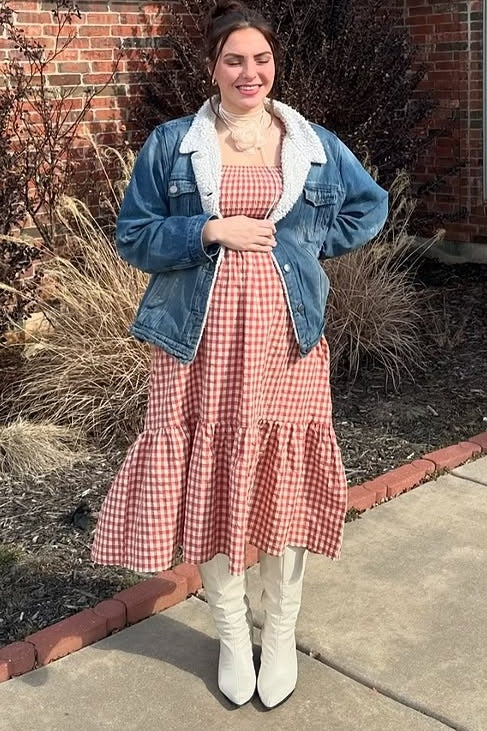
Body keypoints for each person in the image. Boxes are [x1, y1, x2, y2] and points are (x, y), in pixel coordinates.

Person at [91, 0, 388, 709]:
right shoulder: (173, 144)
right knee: (211, 483)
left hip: (286, 341)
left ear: (272, 63)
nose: (249, 72)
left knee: (282, 483)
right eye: (234, 60)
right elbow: (133, 233)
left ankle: (277, 631)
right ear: (212, 66)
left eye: (260, 58)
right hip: (195, 341)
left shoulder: (310, 142)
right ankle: (231, 630)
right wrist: (210, 229)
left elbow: (369, 205)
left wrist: (304, 244)